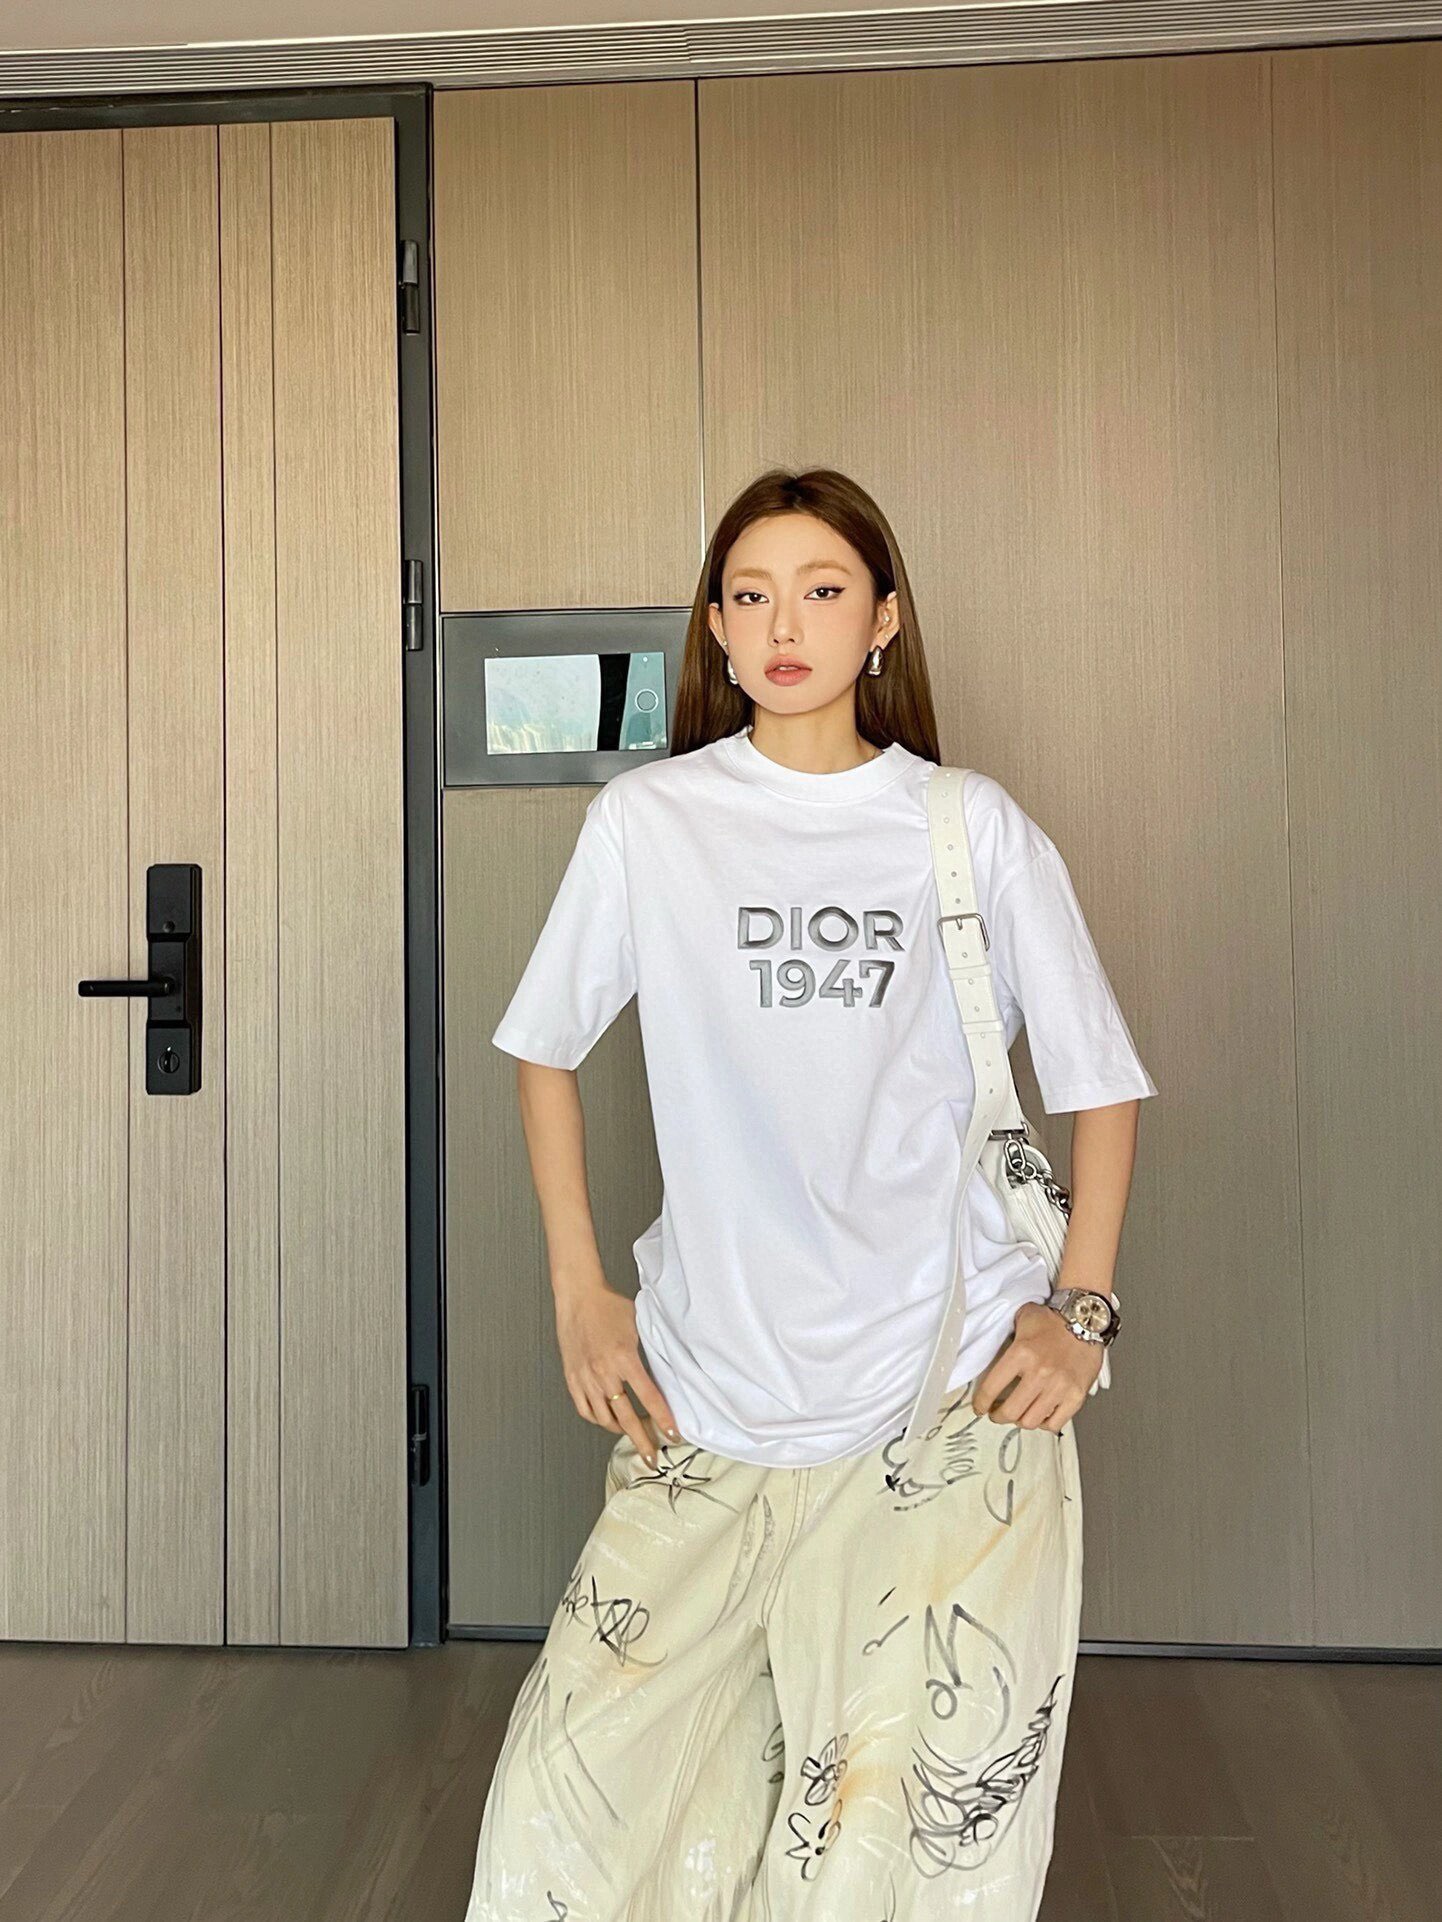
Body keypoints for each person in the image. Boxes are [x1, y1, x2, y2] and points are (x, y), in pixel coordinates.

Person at [463, 466, 1157, 1921]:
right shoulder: (652, 822)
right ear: (716, 628)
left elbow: (1101, 1080)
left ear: (882, 618)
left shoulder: (963, 824)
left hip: (941, 1407)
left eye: (823, 589)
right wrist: (581, 1294)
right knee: (572, 1820)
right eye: (752, 594)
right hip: (707, 1388)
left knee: (879, 1853)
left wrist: (1079, 1311)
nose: (786, 624)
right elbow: (541, 1050)